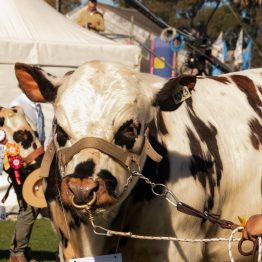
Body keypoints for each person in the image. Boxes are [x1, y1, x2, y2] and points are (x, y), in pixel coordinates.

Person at [7, 93, 46, 262]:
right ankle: (18, 253)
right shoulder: (18, 104)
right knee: (29, 207)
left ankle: (19, 250)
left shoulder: (37, 106)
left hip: (36, 163)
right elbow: (11, 139)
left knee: (32, 207)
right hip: (21, 164)